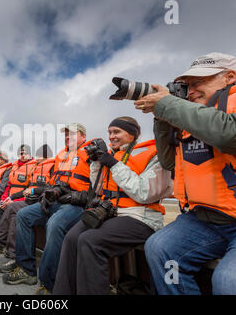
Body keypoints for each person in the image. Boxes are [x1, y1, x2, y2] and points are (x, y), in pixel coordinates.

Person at [133, 52, 236, 295]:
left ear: (229, 77)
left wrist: (168, 105)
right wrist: (161, 118)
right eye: (187, 86)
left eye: (198, 83)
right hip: (205, 219)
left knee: (230, 282)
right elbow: (168, 162)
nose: (191, 91)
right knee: (160, 248)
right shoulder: (192, 115)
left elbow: (231, 134)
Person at [53, 117, 173, 295]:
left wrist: (113, 164)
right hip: (112, 212)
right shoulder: (112, 155)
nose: (111, 137)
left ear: (132, 134)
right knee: (71, 237)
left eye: (116, 132)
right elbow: (98, 188)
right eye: (109, 132)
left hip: (140, 216)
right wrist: (96, 163)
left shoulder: (154, 154)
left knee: (90, 241)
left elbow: (144, 193)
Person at [3, 123, 92, 295]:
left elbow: (97, 184)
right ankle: (27, 270)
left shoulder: (91, 153)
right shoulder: (61, 155)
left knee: (55, 223)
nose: (68, 137)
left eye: (72, 134)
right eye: (66, 135)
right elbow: (55, 183)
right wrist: (46, 195)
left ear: (83, 136)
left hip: (77, 204)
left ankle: (49, 283)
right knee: (23, 215)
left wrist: (79, 197)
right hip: (58, 199)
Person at [0, 145, 54, 274]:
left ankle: (6, 248)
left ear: (47, 157)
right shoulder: (36, 168)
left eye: (40, 156)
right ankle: (1, 243)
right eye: (37, 155)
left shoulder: (52, 167)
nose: (37, 158)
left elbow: (50, 188)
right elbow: (27, 189)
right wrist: (11, 197)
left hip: (43, 203)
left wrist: (35, 190)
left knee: (18, 213)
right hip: (30, 200)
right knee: (12, 207)